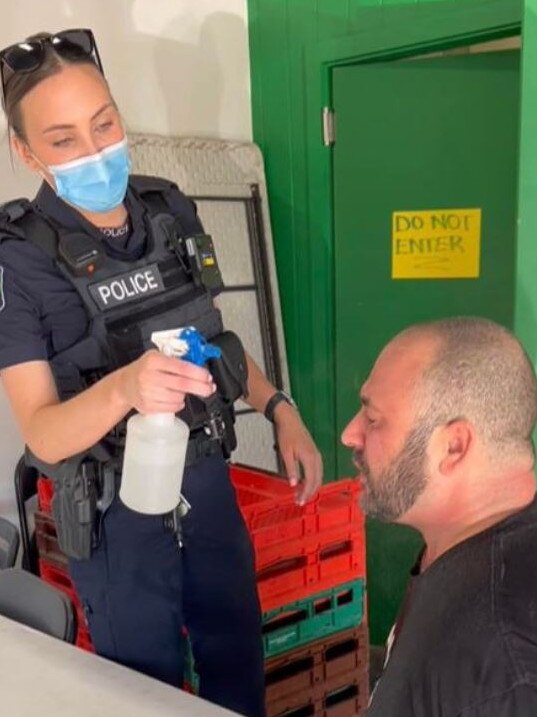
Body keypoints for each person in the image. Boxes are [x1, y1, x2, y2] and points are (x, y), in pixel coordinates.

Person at [0, 29, 323, 717]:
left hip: (205, 484)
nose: (94, 150)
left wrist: (277, 407)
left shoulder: (168, 209)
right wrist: (124, 386)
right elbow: (43, 434)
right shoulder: (18, 259)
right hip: (117, 511)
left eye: (104, 122)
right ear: (23, 151)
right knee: (140, 691)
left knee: (238, 667)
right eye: (62, 139)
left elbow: (213, 339)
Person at [341, 316, 537, 716]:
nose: (350, 433)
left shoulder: (504, 668)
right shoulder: (461, 548)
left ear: (453, 446)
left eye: (373, 419)